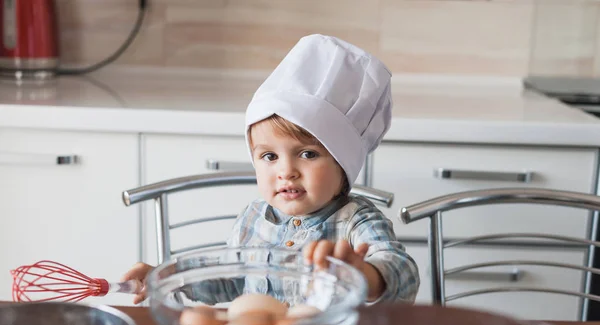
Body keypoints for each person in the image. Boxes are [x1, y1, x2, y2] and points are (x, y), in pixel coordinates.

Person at [121, 34, 420, 305]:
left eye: (307, 153)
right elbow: (229, 280)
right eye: (269, 156)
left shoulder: (356, 221)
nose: (286, 171)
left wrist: (364, 275)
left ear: (343, 163)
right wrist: (166, 276)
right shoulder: (252, 219)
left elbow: (402, 271)